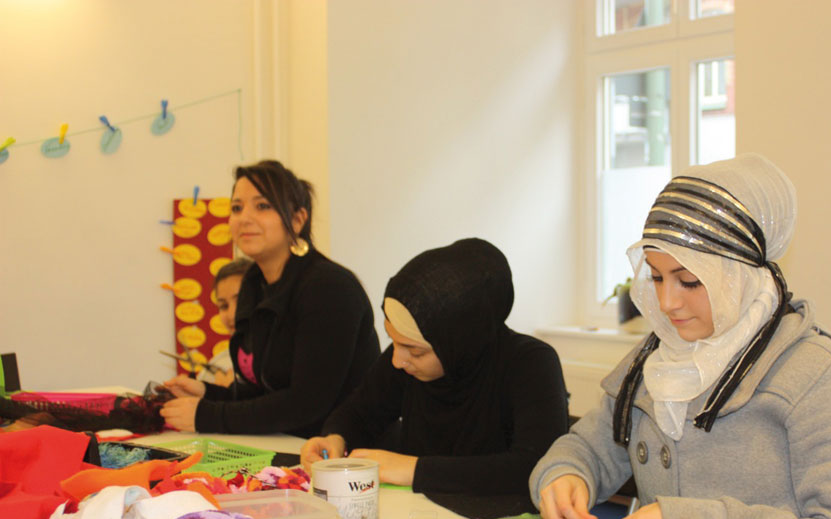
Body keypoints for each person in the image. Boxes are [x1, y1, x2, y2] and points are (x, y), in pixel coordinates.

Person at [530, 153, 831, 519]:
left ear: (738, 275)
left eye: (690, 281)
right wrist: (566, 476)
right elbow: (590, 448)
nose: (667, 302)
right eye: (657, 277)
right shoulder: (656, 358)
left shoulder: (822, 376)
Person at [300, 238, 569, 494]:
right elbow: (360, 412)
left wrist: (414, 469)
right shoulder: (406, 360)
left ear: (458, 344)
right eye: (393, 341)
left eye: (416, 351)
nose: (397, 360)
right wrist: (335, 438)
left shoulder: (531, 363)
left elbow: (533, 466)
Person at [160, 160, 380, 437]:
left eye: (262, 206)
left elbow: (305, 404)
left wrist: (206, 415)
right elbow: (268, 394)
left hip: (350, 450)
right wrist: (208, 394)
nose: (244, 218)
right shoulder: (254, 282)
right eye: (237, 208)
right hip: (291, 442)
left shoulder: (329, 287)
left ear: (298, 220)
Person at [198, 257, 252, 387]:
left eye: (241, 301)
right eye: (224, 306)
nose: (232, 314)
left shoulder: (286, 358)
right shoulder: (218, 366)